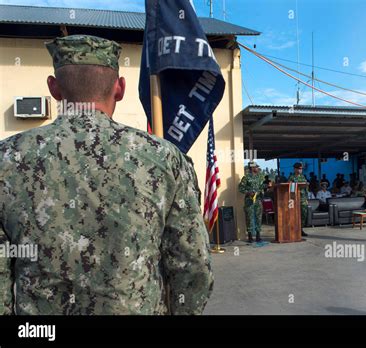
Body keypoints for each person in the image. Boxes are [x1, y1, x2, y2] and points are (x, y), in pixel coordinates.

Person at [0, 35, 213, 315]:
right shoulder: (164, 158)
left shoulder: (8, 158)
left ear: (53, 88)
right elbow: (192, 266)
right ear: (120, 88)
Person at [239, 161, 265, 242]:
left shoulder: (260, 177)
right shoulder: (246, 177)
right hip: (249, 200)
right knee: (249, 217)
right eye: (256, 167)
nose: (257, 168)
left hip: (258, 200)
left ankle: (258, 235)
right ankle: (250, 236)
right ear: (252, 168)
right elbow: (241, 188)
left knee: (259, 217)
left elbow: (262, 186)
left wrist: (266, 187)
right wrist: (248, 192)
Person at [288, 162, 309, 237]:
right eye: (299, 169)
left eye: (301, 169)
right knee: (295, 215)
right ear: (295, 169)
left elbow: (306, 188)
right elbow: (291, 189)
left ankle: (301, 229)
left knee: (303, 214)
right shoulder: (292, 177)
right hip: (295, 199)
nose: (301, 170)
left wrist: (306, 198)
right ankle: (295, 230)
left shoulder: (303, 177)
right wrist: (292, 199)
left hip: (303, 199)